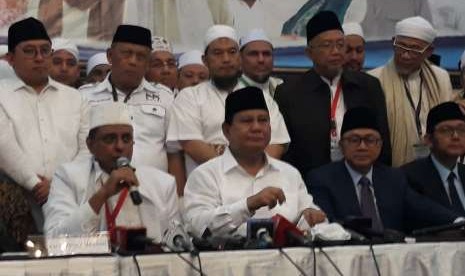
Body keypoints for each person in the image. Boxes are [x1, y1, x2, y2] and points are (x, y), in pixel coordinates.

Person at [184, 87, 326, 238]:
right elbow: (197, 226)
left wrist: (311, 217)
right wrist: (248, 205)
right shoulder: (205, 174)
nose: (257, 127)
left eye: (263, 120)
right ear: (226, 130)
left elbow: (315, 220)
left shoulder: (289, 173)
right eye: (247, 121)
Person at [306, 107, 461, 233]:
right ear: (341, 146)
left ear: (380, 145)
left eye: (369, 140)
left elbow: (423, 207)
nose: (362, 147)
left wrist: (457, 221)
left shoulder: (393, 178)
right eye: (354, 140)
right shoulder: (322, 179)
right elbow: (327, 224)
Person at [275, 11, 391, 176]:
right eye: (327, 45)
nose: (336, 51)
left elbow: (382, 141)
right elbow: (286, 150)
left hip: (362, 179)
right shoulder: (290, 93)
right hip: (309, 182)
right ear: (309, 53)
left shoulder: (367, 86)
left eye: (340, 44)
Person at [43, 102, 180, 243]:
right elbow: (54, 239)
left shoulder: (162, 183)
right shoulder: (68, 177)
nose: (120, 146)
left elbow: (175, 241)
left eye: (126, 139)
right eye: (110, 139)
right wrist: (103, 194)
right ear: (90, 145)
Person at [0, 17, 89, 232]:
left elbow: (87, 149)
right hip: (16, 204)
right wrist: (35, 184)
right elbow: (4, 145)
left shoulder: (76, 99)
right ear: (11, 58)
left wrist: (59, 186)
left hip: (71, 198)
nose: (39, 58)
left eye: (45, 50)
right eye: (29, 51)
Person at [167, 25, 290, 178]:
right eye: (217, 53)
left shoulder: (260, 96)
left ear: (239, 58)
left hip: (259, 185)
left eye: (232, 52)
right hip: (208, 188)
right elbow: (192, 145)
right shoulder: (189, 97)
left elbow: (276, 144)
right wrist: (240, 173)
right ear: (205, 60)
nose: (225, 59)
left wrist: (249, 172)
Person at [81, 25, 175, 173]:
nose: (133, 61)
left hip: (152, 191)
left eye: (141, 56)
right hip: (99, 188)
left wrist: (177, 195)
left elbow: (174, 153)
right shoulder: (85, 96)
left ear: (148, 63)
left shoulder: (165, 97)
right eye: (126, 54)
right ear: (110, 56)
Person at [369, 16, 454, 167]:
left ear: (429, 51)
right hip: (391, 168)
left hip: (434, 166)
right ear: (393, 42)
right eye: (401, 46)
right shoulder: (374, 80)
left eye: (414, 49)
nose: (405, 54)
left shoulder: (440, 78)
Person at [402, 102, 465, 216]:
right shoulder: (407, 178)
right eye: (446, 130)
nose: (456, 136)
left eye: (461, 130)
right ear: (428, 140)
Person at [238, 28, 282, 98]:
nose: (261, 60)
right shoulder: (231, 91)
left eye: (266, 54)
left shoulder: (282, 87)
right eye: (253, 54)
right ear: (240, 58)